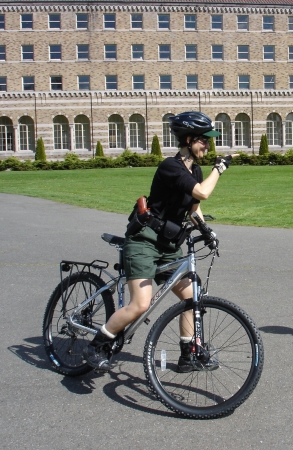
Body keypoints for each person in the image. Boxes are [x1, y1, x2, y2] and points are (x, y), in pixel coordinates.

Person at [83, 111, 233, 372]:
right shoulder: (170, 167)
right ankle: (96, 345)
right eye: (203, 140)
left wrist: (206, 231)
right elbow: (203, 193)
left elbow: (193, 207)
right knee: (141, 303)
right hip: (144, 242)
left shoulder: (194, 169)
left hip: (168, 245)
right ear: (187, 140)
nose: (207, 145)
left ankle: (189, 355)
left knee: (191, 296)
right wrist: (219, 169)